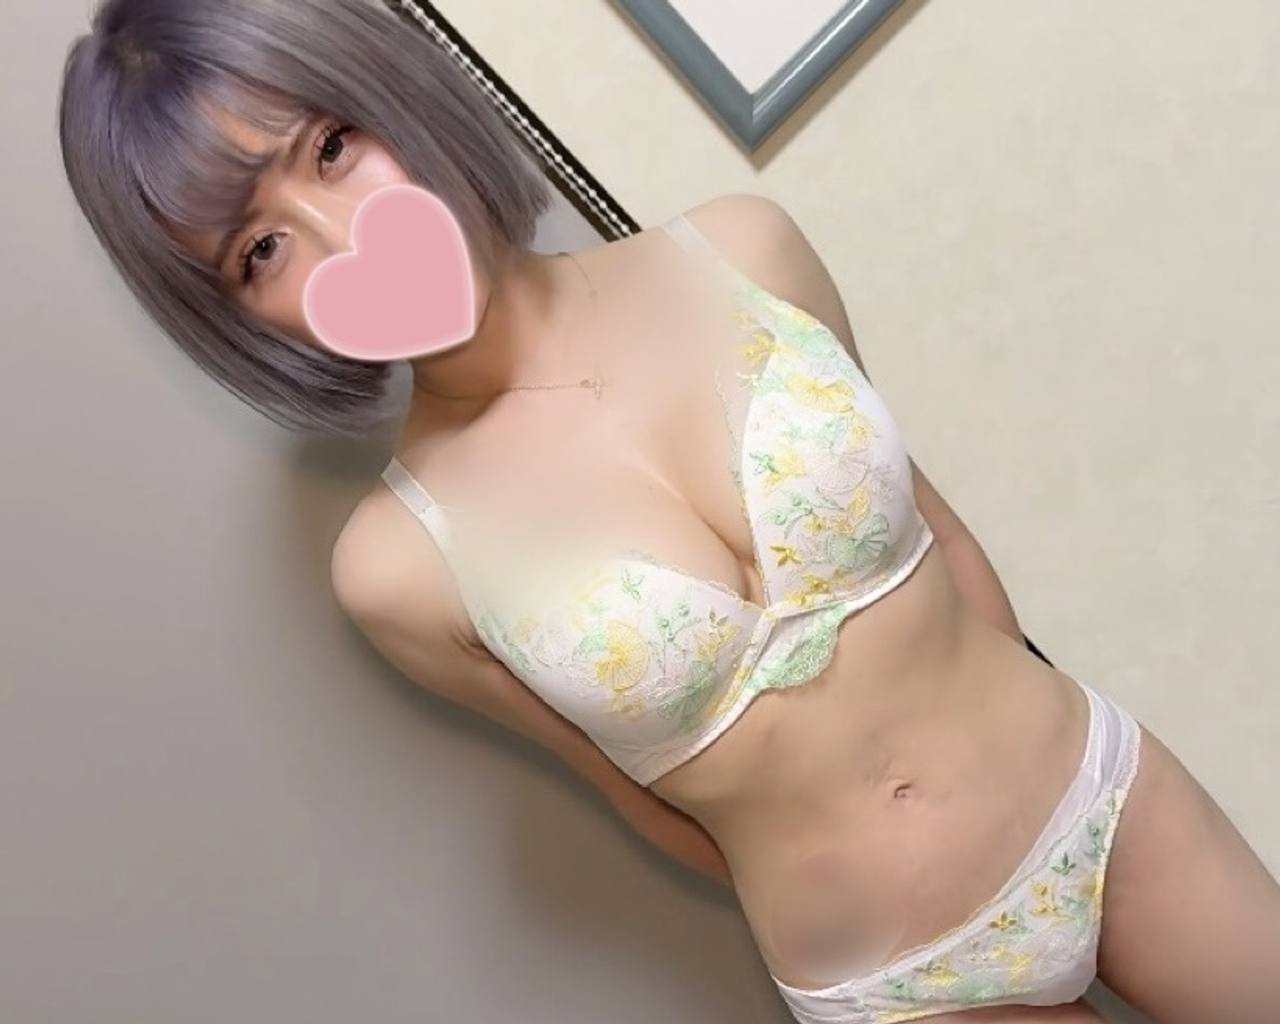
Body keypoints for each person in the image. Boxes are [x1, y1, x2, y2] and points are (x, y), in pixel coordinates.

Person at [58, 1, 1280, 1021]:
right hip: (899, 982)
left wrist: (1019, 760)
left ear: (393, 90)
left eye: (331, 146)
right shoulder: (398, 567)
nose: (335, 236)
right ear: (235, 315)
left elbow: (939, 539)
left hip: (1104, 800)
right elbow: (635, 793)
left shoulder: (745, 250)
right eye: (258, 251)